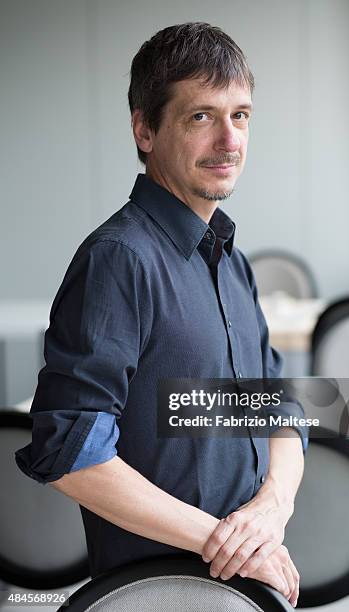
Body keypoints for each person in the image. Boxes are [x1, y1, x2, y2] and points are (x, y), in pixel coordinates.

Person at [15, 22, 308, 608]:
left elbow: (279, 405)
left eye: (242, 115)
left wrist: (274, 504)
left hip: (243, 581)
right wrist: (228, 542)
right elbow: (70, 449)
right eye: (201, 117)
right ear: (144, 129)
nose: (230, 140)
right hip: (160, 592)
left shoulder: (231, 261)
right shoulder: (118, 259)